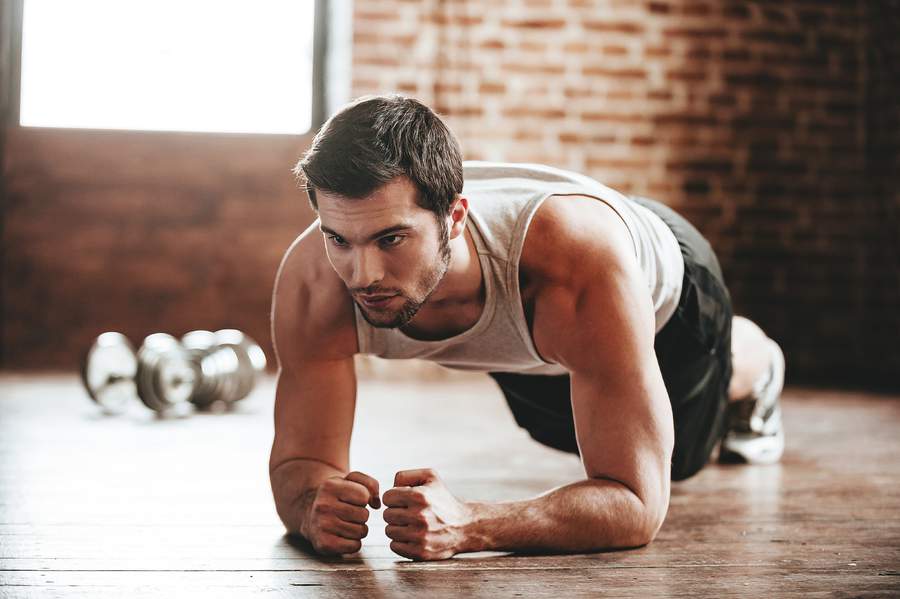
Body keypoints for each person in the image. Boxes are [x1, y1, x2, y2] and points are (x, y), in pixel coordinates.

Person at [268, 94, 786, 561]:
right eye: (339, 240)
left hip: (664, 287)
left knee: (684, 456)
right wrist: (314, 505)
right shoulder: (314, 283)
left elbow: (635, 504)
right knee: (556, 429)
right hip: (533, 339)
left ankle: (757, 362)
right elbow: (302, 461)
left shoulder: (574, 269)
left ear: (454, 219)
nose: (363, 276)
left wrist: (472, 524)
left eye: (391, 240)